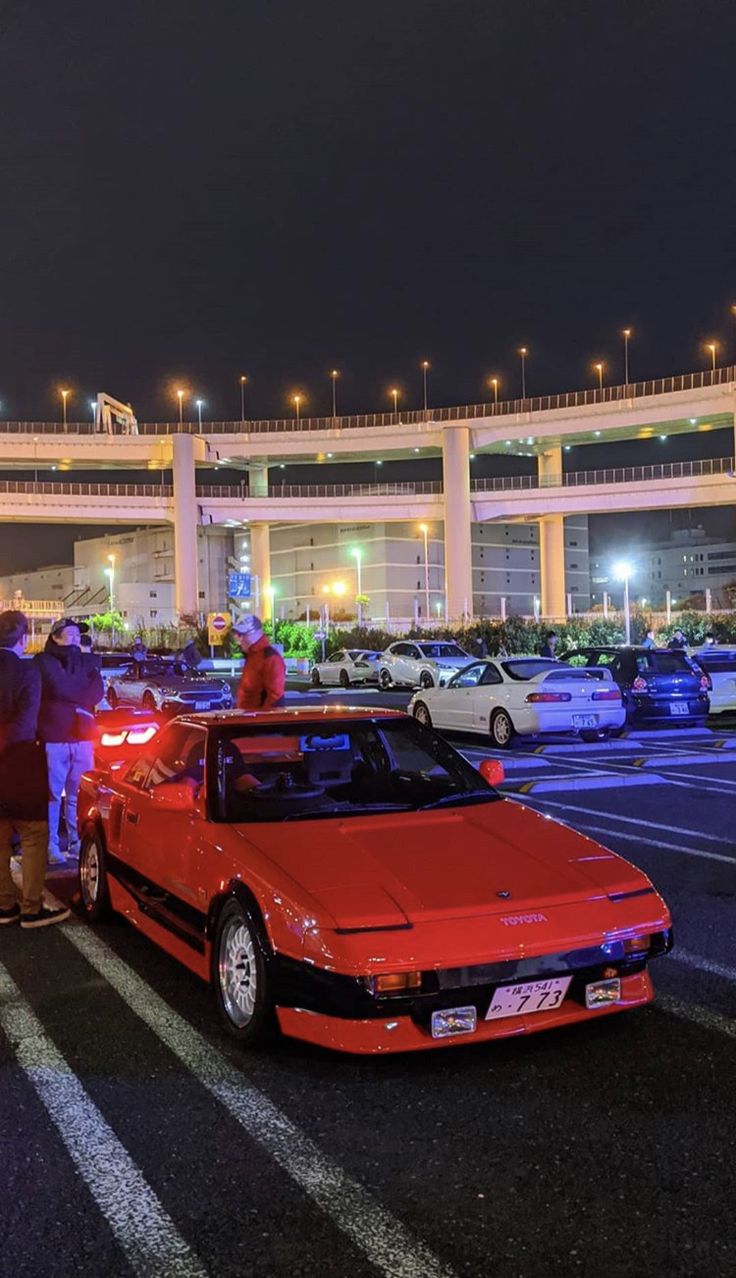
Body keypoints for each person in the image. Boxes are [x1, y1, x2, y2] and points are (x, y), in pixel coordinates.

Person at [0, 610, 70, 928]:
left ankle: (4, 904)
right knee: (34, 832)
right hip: (19, 758)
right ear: (24, 638)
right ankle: (31, 907)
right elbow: (26, 723)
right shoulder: (27, 673)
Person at [35, 618, 104, 865]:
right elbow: (59, 685)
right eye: (70, 633)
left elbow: (96, 692)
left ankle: (77, 842)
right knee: (53, 794)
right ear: (55, 636)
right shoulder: (44, 661)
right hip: (55, 736)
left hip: (83, 735)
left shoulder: (85, 661)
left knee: (80, 793)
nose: (76, 637)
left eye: (78, 634)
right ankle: (51, 844)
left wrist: (71, 692)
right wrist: (79, 692)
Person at [233, 616, 286, 710]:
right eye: (237, 634)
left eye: (242, 634)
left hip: (256, 721)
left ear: (256, 634)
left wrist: (259, 721)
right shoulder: (252, 656)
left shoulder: (270, 658)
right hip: (247, 719)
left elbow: (275, 699)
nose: (239, 639)